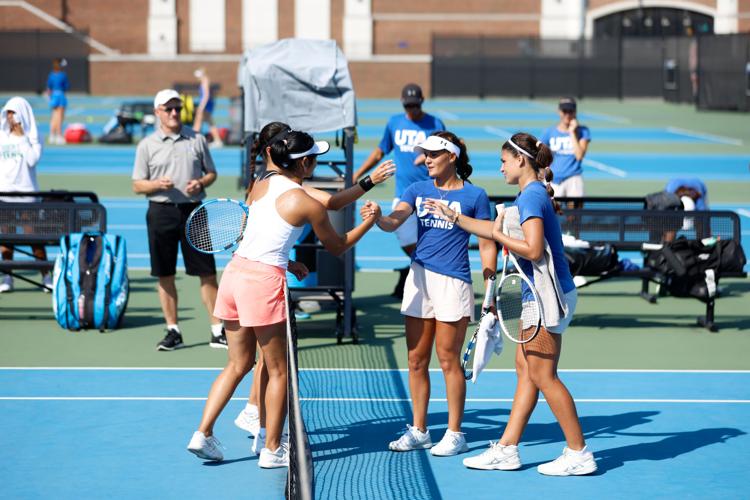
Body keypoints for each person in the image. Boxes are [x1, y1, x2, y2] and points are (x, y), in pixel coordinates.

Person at [186, 130, 382, 468]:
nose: (316, 163)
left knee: (237, 364)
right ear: (305, 163)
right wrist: (370, 222)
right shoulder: (304, 201)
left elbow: (256, 233)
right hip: (262, 283)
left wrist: (288, 260)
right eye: (315, 158)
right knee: (278, 370)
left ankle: (202, 434)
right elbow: (337, 247)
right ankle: (272, 449)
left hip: (234, 275)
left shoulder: (259, 184)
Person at [426, 132, 597, 476]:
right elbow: (492, 229)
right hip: (534, 294)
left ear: (520, 160)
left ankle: (579, 452)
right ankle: (507, 448)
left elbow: (533, 250)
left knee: (544, 375)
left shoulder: (532, 197)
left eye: (504, 161)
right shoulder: (530, 193)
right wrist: (455, 217)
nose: (500, 167)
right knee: (526, 372)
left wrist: (502, 236)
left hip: (547, 295)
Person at [233, 121, 395, 440]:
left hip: (248, 275)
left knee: (262, 357)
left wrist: (368, 181)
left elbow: (333, 202)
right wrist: (370, 205)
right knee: (270, 358)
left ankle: (248, 413)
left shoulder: (264, 184)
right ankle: (255, 415)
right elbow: (334, 230)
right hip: (260, 280)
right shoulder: (281, 188)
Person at [375, 131, 497, 457]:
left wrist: (490, 284)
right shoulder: (416, 190)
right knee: (416, 360)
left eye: (433, 154)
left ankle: (456, 433)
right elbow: (394, 220)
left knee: (448, 361)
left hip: (454, 282)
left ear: (452, 157)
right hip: (419, 279)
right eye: (424, 154)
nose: (426, 159)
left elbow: (487, 242)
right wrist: (378, 218)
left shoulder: (475, 196)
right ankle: (419, 430)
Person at [131, 89, 225, 351]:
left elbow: (212, 173)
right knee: (165, 273)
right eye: (168, 108)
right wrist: (156, 184)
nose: (174, 113)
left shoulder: (197, 139)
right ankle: (173, 330)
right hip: (161, 213)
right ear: (157, 112)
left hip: (194, 212)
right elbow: (137, 185)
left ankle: (218, 331)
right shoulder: (146, 145)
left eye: (177, 108)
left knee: (207, 272)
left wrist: (202, 182)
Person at [354, 83, 445, 299]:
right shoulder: (394, 122)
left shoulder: (434, 123)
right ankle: (426, 269)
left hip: (431, 191)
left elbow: (448, 148)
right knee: (404, 236)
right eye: (408, 106)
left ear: (422, 101)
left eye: (415, 105)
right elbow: (379, 151)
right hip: (404, 193)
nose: (411, 110)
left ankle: (428, 274)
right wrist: (357, 174)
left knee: (435, 236)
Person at [0, 97, 50, 293]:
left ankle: (46, 276)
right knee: (6, 238)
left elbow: (32, 160)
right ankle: (7, 277)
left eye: (14, 113)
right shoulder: (2, 136)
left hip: (27, 195)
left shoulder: (33, 138)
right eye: (8, 113)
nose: (11, 117)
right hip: (4, 195)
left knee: (33, 238)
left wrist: (22, 138)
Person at [539, 98, 591, 199]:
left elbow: (579, 156)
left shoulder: (583, 131)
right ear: (559, 111)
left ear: (575, 112)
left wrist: (572, 132)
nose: (567, 114)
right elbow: (539, 154)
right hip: (553, 179)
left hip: (573, 178)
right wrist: (541, 172)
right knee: (551, 212)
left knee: (575, 214)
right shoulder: (549, 132)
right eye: (564, 111)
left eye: (570, 111)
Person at [192, 68, 223, 148]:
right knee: (210, 122)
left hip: (206, 105)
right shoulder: (204, 81)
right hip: (206, 104)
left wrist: (201, 107)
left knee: (198, 121)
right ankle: (218, 140)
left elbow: (206, 95)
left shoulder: (205, 81)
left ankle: (193, 140)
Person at [46, 58, 69, 145]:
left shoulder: (51, 75)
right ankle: (59, 135)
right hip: (60, 96)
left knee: (54, 116)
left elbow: (49, 88)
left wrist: (50, 97)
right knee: (59, 116)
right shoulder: (63, 75)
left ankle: (52, 135)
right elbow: (66, 87)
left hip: (53, 96)